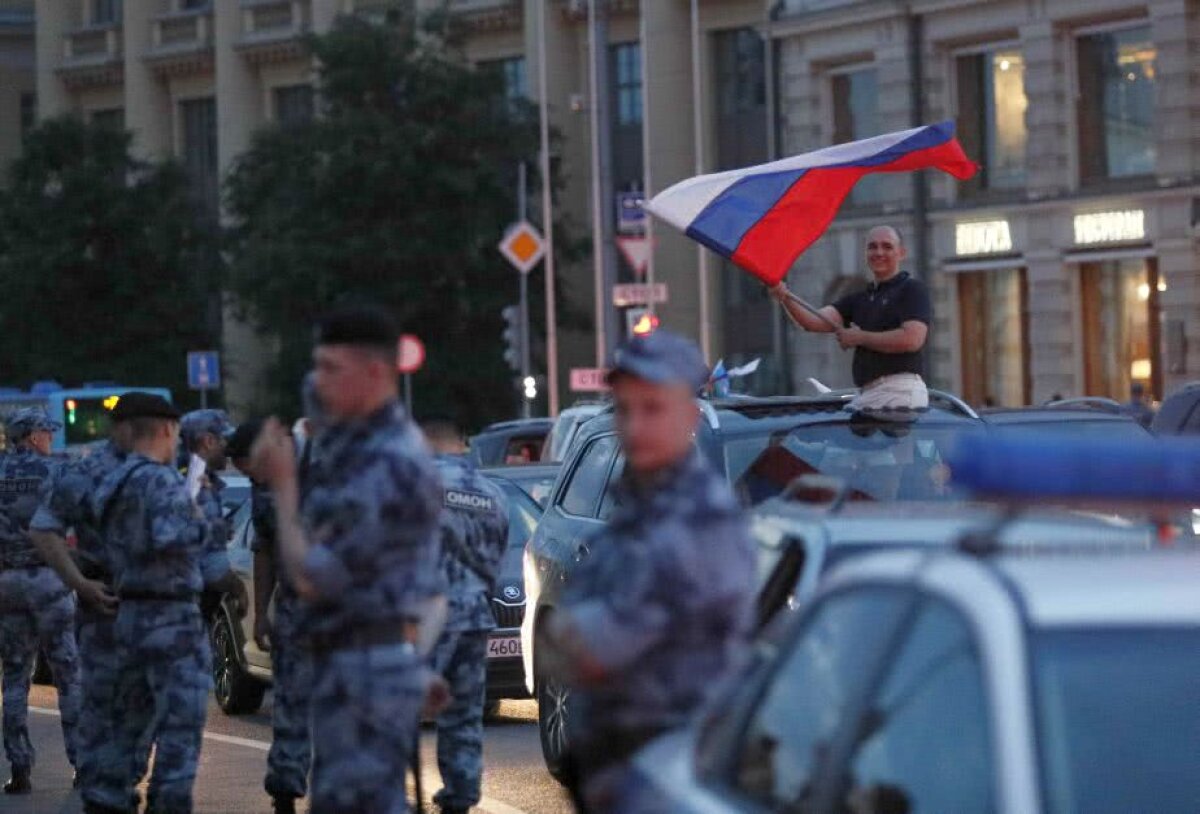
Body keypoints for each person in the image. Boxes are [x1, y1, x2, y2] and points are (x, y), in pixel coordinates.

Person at [540, 330, 757, 813]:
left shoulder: (702, 522)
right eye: (624, 409)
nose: (635, 426)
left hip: (675, 777)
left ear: (690, 417)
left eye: (653, 408)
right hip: (620, 774)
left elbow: (591, 652)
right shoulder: (637, 509)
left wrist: (572, 636)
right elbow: (565, 649)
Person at [252, 304, 450, 814]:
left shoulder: (385, 459)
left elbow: (310, 576)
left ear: (376, 372)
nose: (318, 382)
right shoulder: (363, 446)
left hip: (368, 673)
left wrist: (284, 486)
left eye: (331, 369)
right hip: (362, 664)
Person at [89, 395, 242, 814]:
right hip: (170, 616)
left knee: (128, 726)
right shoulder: (159, 480)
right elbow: (175, 539)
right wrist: (208, 524)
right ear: (166, 430)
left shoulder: (116, 479)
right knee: (180, 730)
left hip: (130, 614)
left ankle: (106, 800)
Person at [28, 394, 149, 805]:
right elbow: (42, 529)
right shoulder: (144, 472)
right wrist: (78, 582)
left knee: (108, 698)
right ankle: (115, 783)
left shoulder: (86, 470)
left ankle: (108, 781)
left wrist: (78, 583)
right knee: (121, 698)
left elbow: (42, 528)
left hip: (109, 602)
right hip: (126, 604)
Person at [422, 419, 509, 814]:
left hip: (426, 619)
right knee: (464, 716)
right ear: (463, 442)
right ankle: (460, 798)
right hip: (475, 616)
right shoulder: (493, 493)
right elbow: (498, 553)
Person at [229, 418, 314, 814]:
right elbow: (264, 549)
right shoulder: (265, 484)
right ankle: (285, 792)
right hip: (295, 610)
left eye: (252, 470)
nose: (254, 480)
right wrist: (262, 612)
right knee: (291, 702)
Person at [0, 408, 81, 795]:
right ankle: (81, 763)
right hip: (50, 580)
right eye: (47, 432)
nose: (51, 438)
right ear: (32, 436)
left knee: (15, 677)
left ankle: (19, 768)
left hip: (8, 583)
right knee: (68, 673)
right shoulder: (58, 470)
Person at [771, 225, 932, 411]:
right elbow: (813, 321)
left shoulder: (911, 289)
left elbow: (912, 339)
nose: (879, 252)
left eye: (887, 246)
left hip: (898, 391)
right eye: (872, 247)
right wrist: (785, 297)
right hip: (871, 393)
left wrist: (860, 337)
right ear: (865, 253)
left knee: (842, 425)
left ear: (901, 253)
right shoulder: (861, 298)